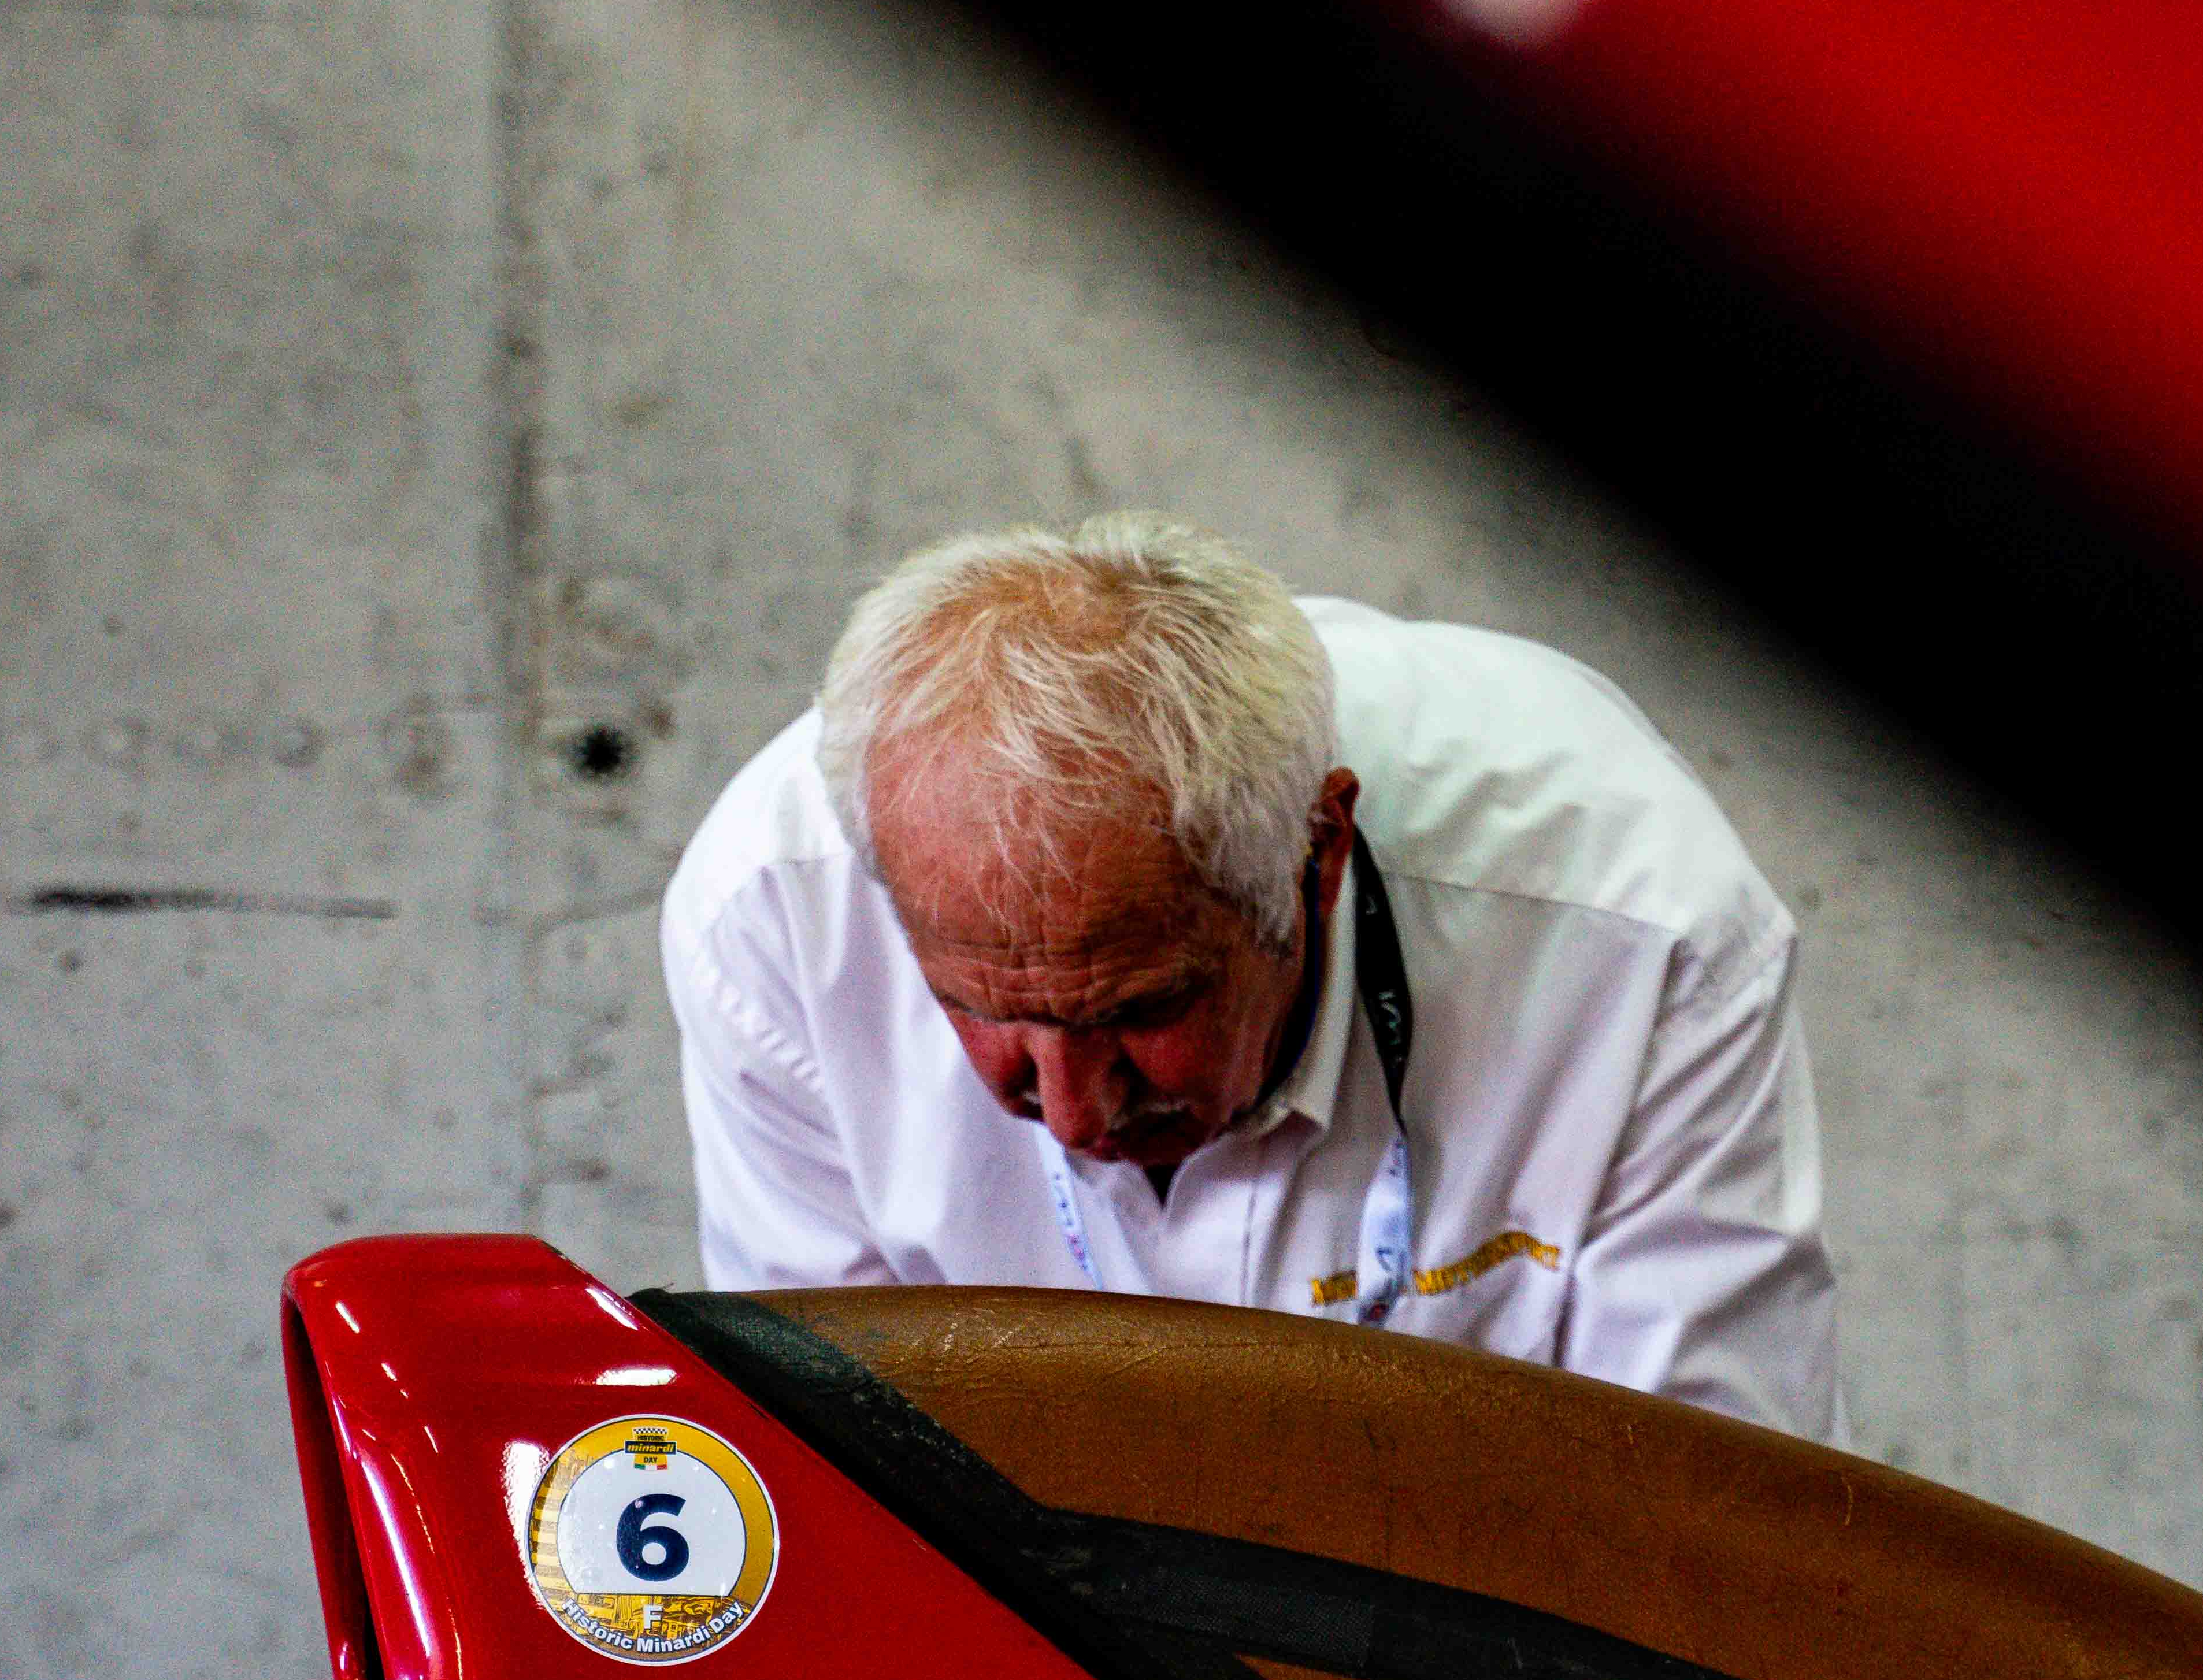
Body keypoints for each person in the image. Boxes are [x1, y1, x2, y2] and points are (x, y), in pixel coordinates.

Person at [660, 513, 1842, 1431]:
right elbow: (829, 1462)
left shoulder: (1637, 930)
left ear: (1318, 853)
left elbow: (1721, 1526)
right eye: (983, 1007)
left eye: (1142, 1008)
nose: (1072, 1113)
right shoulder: (774, 920)